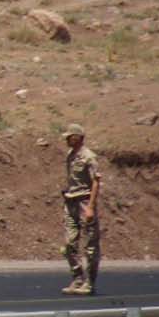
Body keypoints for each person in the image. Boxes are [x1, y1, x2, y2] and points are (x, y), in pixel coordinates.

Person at [60, 123, 102, 295]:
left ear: (78, 137)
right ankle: (77, 278)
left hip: (85, 202)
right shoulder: (70, 155)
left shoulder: (88, 157)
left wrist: (90, 207)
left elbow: (96, 182)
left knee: (90, 246)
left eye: (70, 136)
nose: (67, 140)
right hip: (71, 203)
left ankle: (89, 282)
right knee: (69, 244)